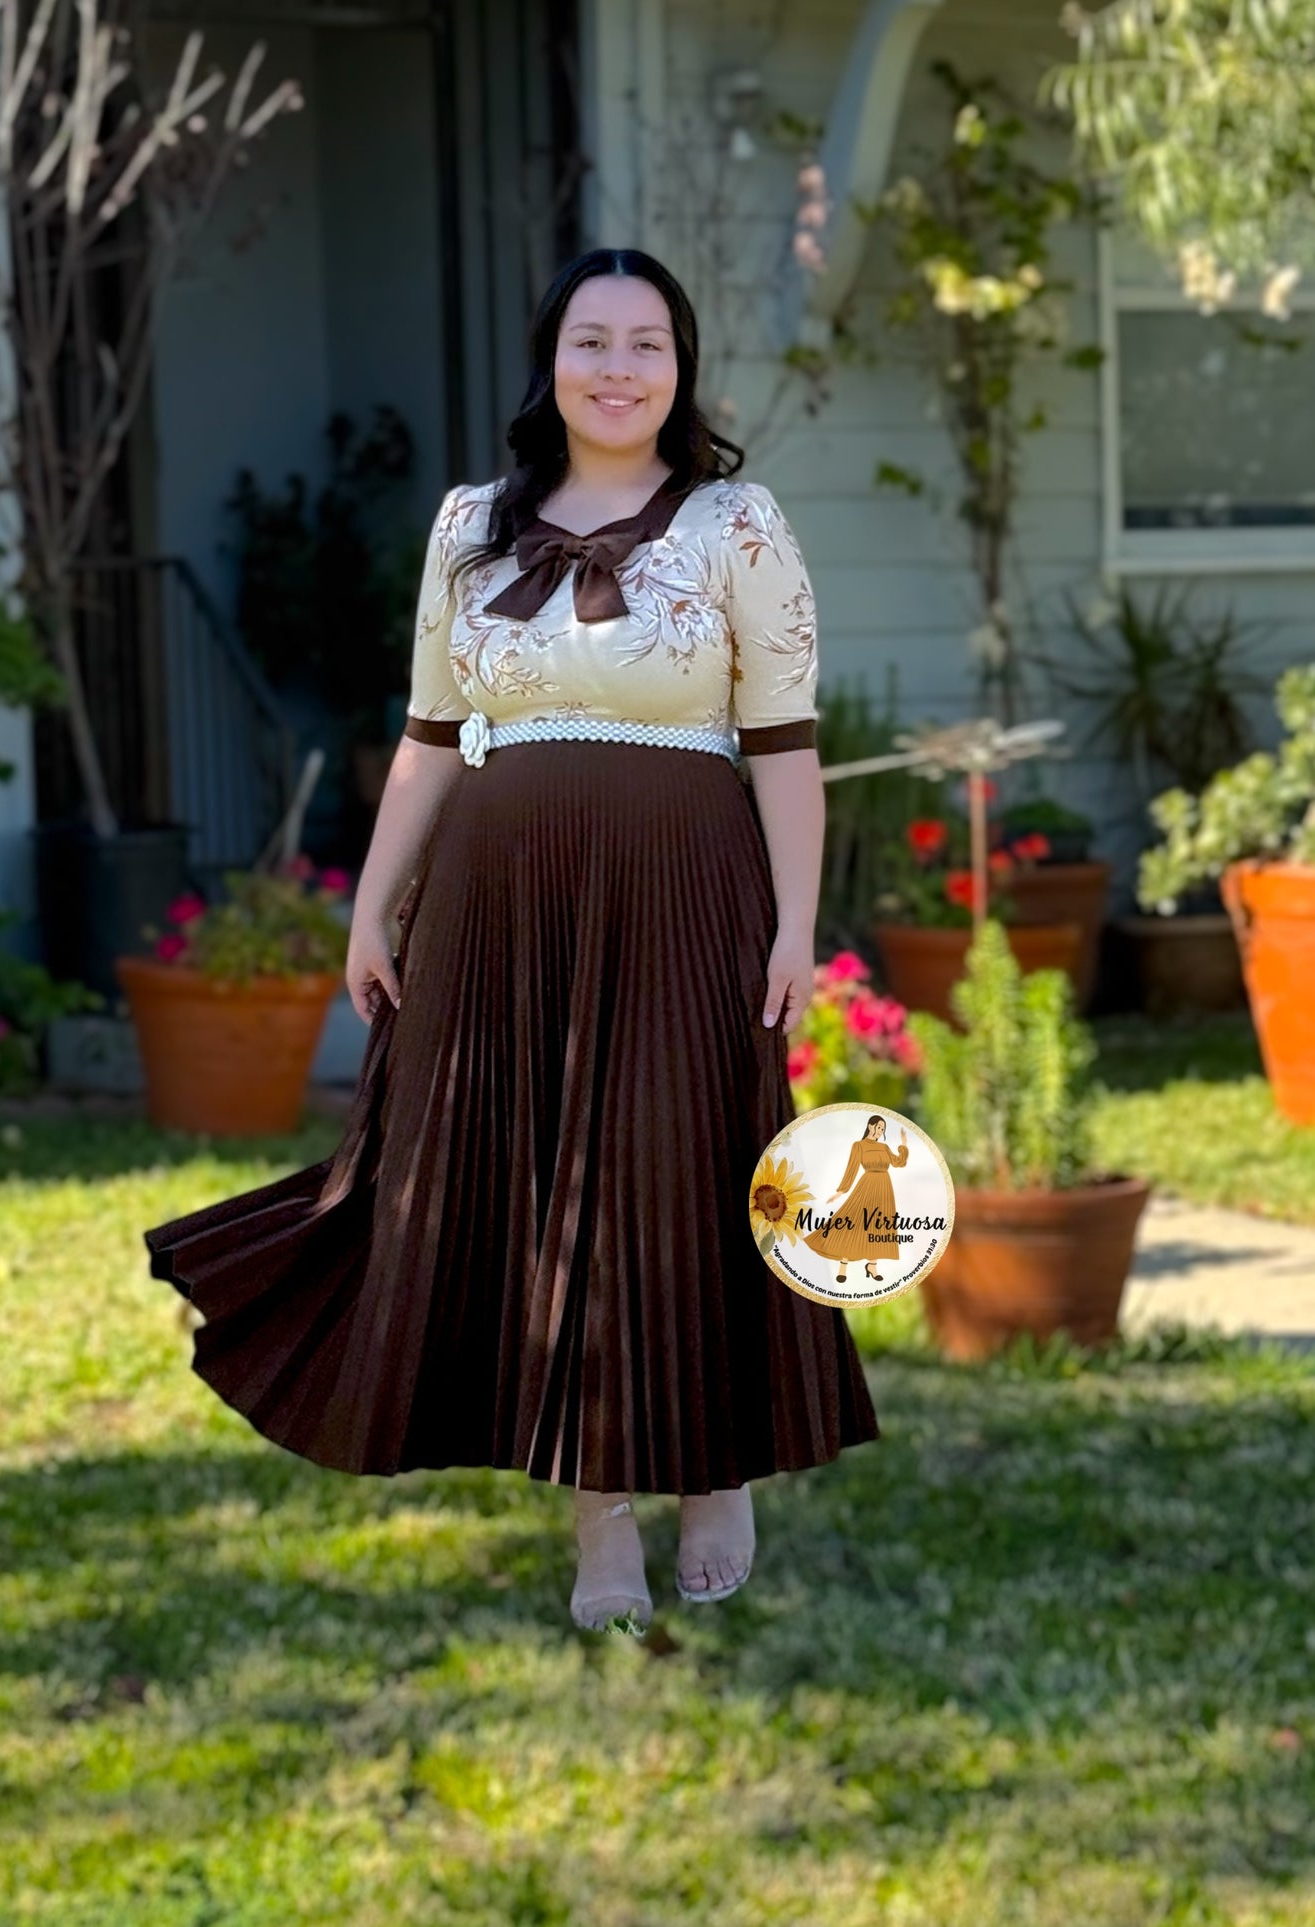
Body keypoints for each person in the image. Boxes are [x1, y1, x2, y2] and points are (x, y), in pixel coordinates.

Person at [143, 245, 881, 1637]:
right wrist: (372, 902)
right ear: (549, 358)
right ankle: (598, 1507)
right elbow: (426, 736)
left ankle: (712, 1469)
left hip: (685, 887)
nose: (617, 366)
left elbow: (783, 742)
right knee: (540, 1170)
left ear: (681, 366)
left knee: (682, 1156)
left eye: (646, 342)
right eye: (591, 339)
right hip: (500, 898)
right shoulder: (469, 522)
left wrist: (794, 919)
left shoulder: (737, 522)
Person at [802, 1116, 910, 1285]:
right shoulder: (858, 1146)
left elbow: (898, 1163)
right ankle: (842, 1267)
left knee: (878, 1226)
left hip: (884, 1187)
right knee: (853, 1223)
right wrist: (840, 1191)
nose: (880, 1132)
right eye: (879, 1127)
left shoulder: (884, 1147)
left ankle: (872, 1267)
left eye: (883, 1129)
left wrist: (903, 1146)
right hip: (866, 1186)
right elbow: (851, 1169)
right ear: (870, 1126)